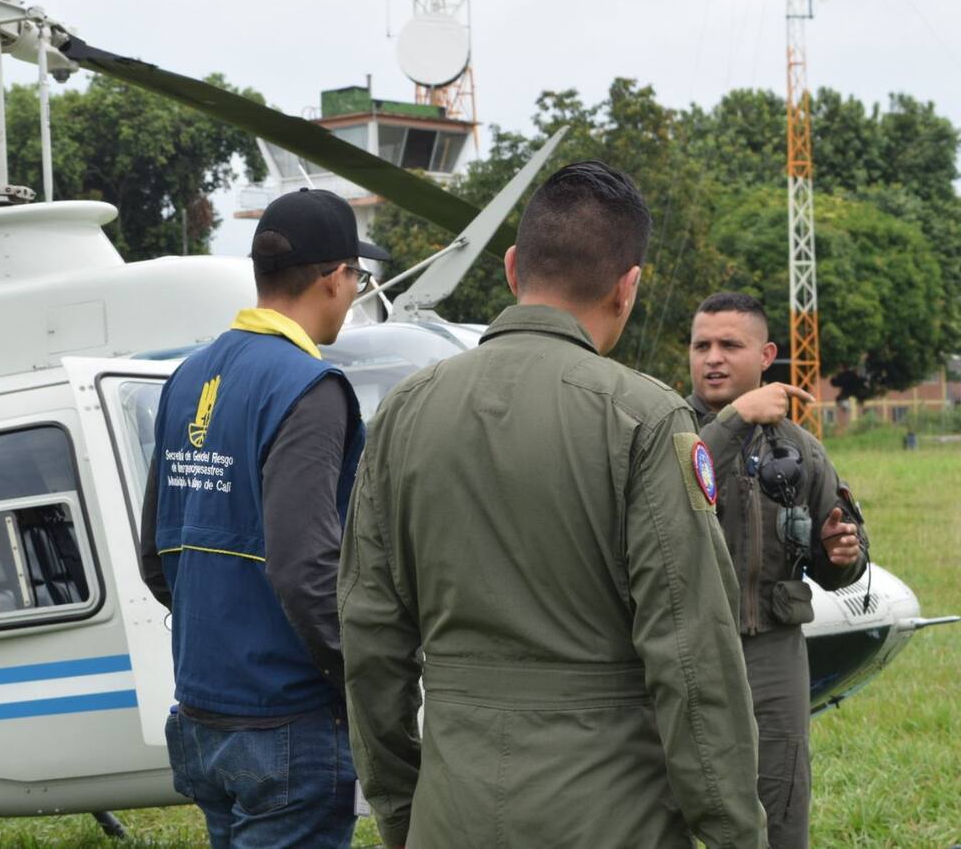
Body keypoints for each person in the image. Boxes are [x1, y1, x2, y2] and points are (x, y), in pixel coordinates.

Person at [339, 161, 767, 849]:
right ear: (628, 288)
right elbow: (692, 661)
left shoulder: (402, 414)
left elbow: (368, 641)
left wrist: (402, 812)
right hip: (613, 816)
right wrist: (734, 833)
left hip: (451, 811)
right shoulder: (646, 418)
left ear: (512, 268)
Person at [138, 188, 389, 848]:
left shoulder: (186, 378)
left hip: (200, 711)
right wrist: (357, 679)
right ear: (335, 279)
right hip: (286, 721)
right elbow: (306, 566)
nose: (355, 290)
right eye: (357, 277)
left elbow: (154, 553)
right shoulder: (309, 387)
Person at [687, 291, 868, 849]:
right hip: (683, 649)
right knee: (665, 797)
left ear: (766, 355)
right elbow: (671, 487)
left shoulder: (800, 448)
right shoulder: (659, 429)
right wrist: (735, 420)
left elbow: (838, 556)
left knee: (781, 799)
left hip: (771, 651)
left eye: (729, 345)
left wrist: (843, 554)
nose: (712, 357)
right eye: (701, 345)